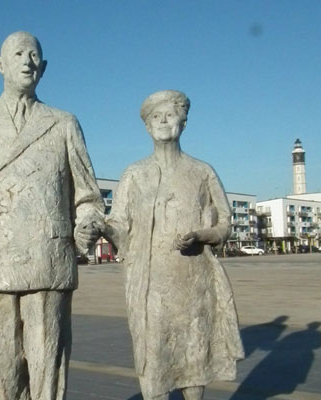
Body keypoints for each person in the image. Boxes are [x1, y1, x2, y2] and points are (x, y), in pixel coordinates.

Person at [0, 32, 103, 400]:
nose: (27, 61)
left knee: (48, 361)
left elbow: (88, 194)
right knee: (2, 359)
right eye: (19, 54)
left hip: (47, 258)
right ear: (1, 64)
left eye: (34, 56)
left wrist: (86, 224)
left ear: (43, 68)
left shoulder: (63, 122)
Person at [104, 90, 244, 400]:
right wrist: (101, 226)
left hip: (194, 281)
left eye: (170, 114)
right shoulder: (134, 174)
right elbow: (119, 225)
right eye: (156, 116)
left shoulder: (202, 171)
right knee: (154, 358)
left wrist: (200, 234)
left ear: (184, 121)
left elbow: (224, 225)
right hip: (149, 284)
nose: (164, 120)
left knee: (193, 358)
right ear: (146, 126)